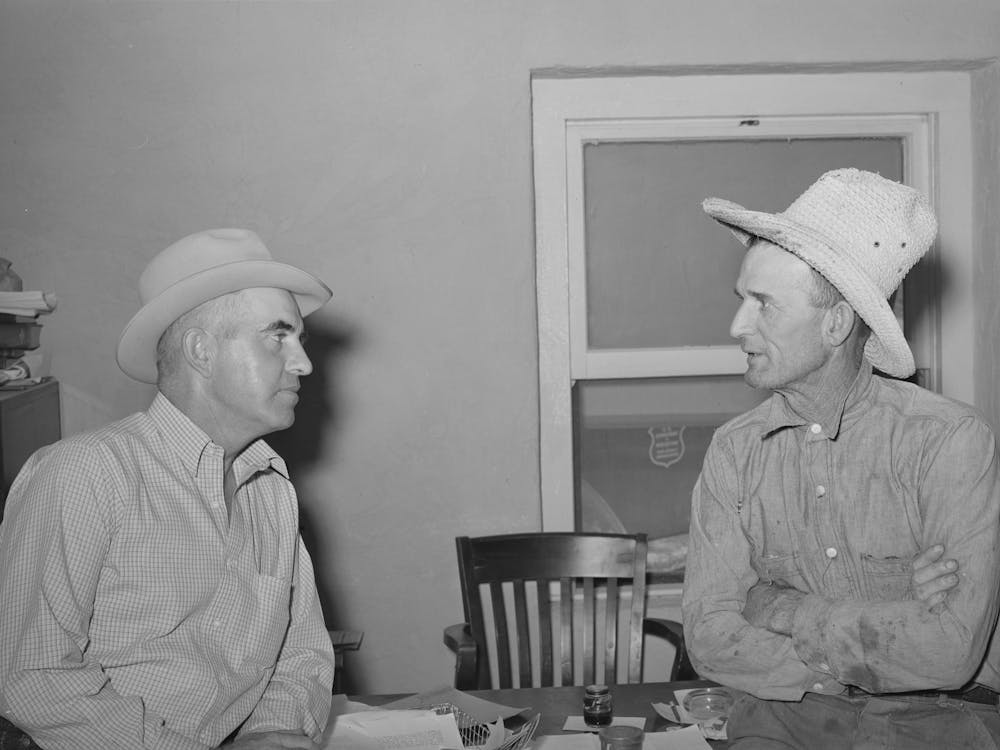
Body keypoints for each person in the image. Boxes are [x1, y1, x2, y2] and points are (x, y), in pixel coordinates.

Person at [682, 168, 1000, 748]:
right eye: (740, 301)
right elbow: (709, 636)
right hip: (781, 719)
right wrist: (894, 607)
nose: (737, 326)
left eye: (764, 305)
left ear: (835, 323)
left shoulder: (948, 440)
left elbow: (949, 652)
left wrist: (776, 605)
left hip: (939, 721)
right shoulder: (735, 451)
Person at [0, 229, 338, 749]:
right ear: (201, 351)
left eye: (300, 340)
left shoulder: (271, 491)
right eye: (278, 336)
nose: (303, 363)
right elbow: (32, 677)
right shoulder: (82, 475)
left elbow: (301, 653)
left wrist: (274, 732)